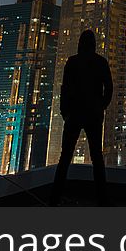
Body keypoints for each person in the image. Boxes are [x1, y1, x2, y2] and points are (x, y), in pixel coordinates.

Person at [48, 30, 113, 206]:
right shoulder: (101, 62)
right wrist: (101, 107)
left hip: (74, 115)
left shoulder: (72, 62)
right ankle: (103, 199)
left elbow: (65, 88)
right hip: (92, 115)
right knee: (97, 157)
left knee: (65, 157)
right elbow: (109, 88)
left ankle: (54, 198)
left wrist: (65, 112)